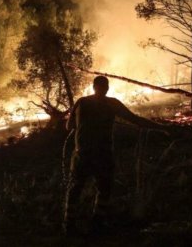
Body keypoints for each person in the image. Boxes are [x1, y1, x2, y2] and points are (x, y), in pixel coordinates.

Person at [63, 76, 168, 235]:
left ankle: (69, 224)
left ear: (93, 87)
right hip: (102, 154)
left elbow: (69, 126)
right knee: (104, 189)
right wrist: (161, 127)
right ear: (107, 88)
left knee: (75, 188)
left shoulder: (81, 102)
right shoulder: (112, 104)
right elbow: (135, 120)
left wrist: (83, 126)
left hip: (81, 154)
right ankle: (97, 222)